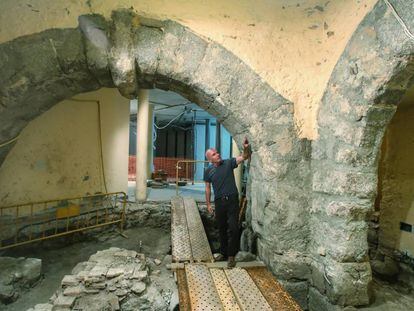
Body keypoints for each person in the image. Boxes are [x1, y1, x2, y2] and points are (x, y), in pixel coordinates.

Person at [204, 137, 250, 268]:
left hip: (232, 200)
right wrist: (208, 204)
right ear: (210, 159)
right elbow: (207, 188)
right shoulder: (208, 171)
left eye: (217, 152)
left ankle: (231, 256)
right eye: (214, 154)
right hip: (219, 202)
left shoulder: (228, 163)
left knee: (234, 228)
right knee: (221, 229)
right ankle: (223, 253)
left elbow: (244, 157)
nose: (217, 154)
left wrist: (246, 147)